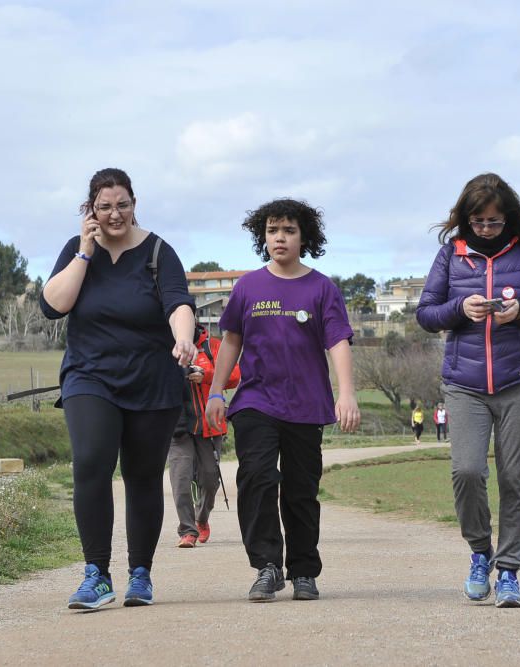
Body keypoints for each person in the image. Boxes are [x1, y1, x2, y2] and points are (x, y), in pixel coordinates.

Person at [40, 167, 197, 611]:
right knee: (90, 462)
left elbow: (178, 302)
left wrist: (183, 337)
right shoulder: (76, 250)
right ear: (90, 209)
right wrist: (85, 251)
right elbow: (54, 305)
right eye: (104, 207)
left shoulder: (158, 251)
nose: (115, 214)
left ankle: (140, 574)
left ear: (134, 204)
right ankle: (96, 574)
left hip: (152, 378)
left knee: (143, 476)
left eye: (122, 205)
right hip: (89, 375)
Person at [415, 173, 520, 608]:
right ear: (465, 218)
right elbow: (426, 314)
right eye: (477, 221)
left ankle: (510, 571)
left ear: (509, 218)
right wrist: (460, 308)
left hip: (519, 382)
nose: (484, 229)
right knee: (467, 472)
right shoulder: (450, 256)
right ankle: (480, 552)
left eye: (494, 222)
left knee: (514, 480)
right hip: (464, 384)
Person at [206, 198, 360, 603]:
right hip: (256, 400)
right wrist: (216, 391)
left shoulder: (322, 288)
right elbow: (231, 342)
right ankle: (267, 566)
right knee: (256, 477)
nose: (280, 237)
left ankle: (304, 571)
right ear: (263, 237)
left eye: (289, 230)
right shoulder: (248, 287)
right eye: (273, 230)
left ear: (303, 237)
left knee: (300, 490)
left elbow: (338, 342)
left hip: (306, 405)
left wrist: (346, 393)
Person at [168, 324, 240, 548]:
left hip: (209, 426)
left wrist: (206, 375)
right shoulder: (163, 347)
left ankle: (201, 519)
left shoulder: (212, 346)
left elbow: (235, 376)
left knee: (209, 478)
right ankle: (187, 530)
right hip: (177, 427)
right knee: (180, 479)